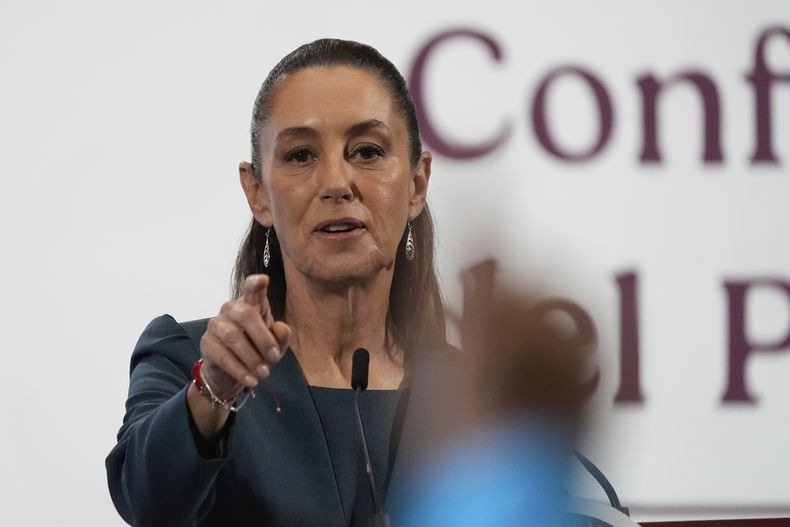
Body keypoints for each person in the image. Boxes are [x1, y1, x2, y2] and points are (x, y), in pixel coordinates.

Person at [105, 38, 447, 527]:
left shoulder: (478, 399)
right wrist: (213, 392)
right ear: (257, 192)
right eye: (301, 155)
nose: (335, 182)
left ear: (416, 184)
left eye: (367, 151)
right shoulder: (186, 359)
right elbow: (146, 501)